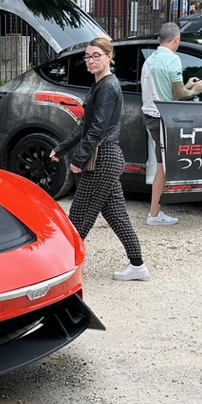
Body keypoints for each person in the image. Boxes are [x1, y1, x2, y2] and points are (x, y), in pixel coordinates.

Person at [50, 37, 148, 281]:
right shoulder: (101, 85)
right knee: (116, 216)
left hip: (102, 158)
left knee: (79, 217)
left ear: (109, 57)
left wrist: (78, 159)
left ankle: (64, 268)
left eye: (96, 56)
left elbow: (97, 130)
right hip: (106, 156)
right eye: (88, 56)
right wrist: (61, 149)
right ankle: (137, 265)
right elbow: (85, 127)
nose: (91, 60)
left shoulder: (107, 86)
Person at [140, 22, 202, 225]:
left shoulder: (150, 59)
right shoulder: (173, 59)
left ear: (159, 39)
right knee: (163, 167)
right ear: (177, 40)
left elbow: (169, 92)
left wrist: (186, 86)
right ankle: (154, 214)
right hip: (162, 118)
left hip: (152, 115)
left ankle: (155, 212)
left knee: (162, 165)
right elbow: (179, 95)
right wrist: (194, 90)